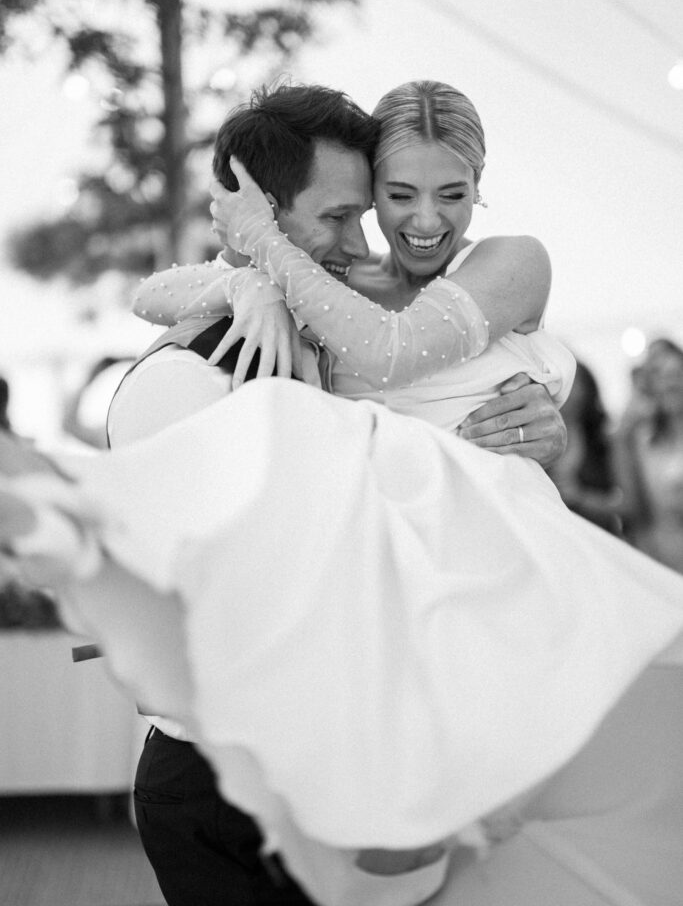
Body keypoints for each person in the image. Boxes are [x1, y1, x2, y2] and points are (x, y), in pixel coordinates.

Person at [56, 78, 681, 904]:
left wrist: (532, 452)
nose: (396, 228)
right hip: (245, 771)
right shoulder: (219, 360)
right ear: (269, 217)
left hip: (394, 734)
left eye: (450, 193)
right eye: (368, 206)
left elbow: (388, 365)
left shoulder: (339, 306)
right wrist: (251, 274)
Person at [614, 337, 683, 574]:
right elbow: (633, 505)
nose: (671, 384)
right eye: (661, 376)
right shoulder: (641, 437)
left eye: (677, 374)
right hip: (661, 554)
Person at [547, 359, 623, 534]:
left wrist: (581, 497)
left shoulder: (603, 437)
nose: (566, 391)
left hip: (600, 533)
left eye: (573, 383)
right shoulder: (541, 438)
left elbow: (630, 505)